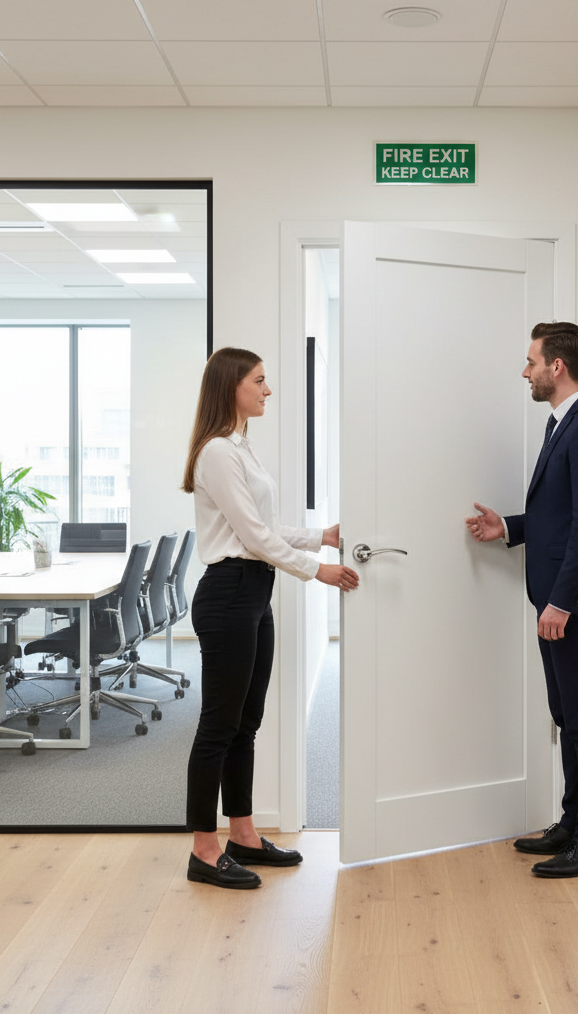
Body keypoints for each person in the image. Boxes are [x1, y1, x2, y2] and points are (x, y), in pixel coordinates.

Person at [181, 347, 359, 889]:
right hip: (230, 592)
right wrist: (317, 569)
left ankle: (244, 835)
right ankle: (204, 851)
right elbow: (254, 537)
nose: (268, 390)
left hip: (254, 591)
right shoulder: (216, 452)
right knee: (219, 723)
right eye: (259, 381)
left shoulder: (240, 447)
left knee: (246, 722)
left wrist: (320, 537)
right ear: (231, 386)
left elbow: (264, 525)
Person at [465, 321, 578, 879]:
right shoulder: (566, 425)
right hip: (559, 599)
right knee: (566, 714)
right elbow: (559, 515)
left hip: (574, 604)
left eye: (532, 361)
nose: (525, 370)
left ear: (557, 367)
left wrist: (561, 602)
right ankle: (571, 823)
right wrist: (508, 528)